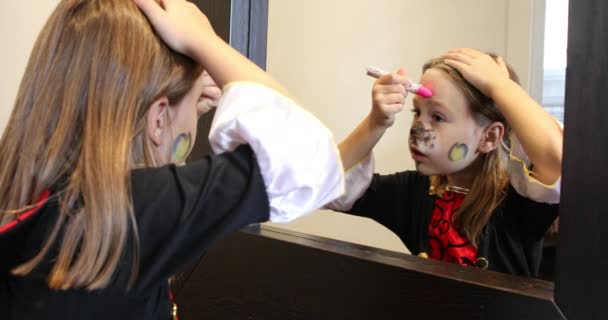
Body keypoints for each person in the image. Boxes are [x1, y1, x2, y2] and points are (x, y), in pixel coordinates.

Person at [0, 0, 344, 319]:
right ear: (159, 117)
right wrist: (203, 41)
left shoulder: (34, 202)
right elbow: (306, 158)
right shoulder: (127, 213)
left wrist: (181, 106)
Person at [328, 48, 562, 277]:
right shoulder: (412, 193)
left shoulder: (518, 203)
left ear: (489, 137)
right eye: (417, 112)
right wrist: (376, 122)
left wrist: (501, 87)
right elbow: (328, 187)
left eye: (438, 117)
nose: (418, 129)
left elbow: (558, 160)